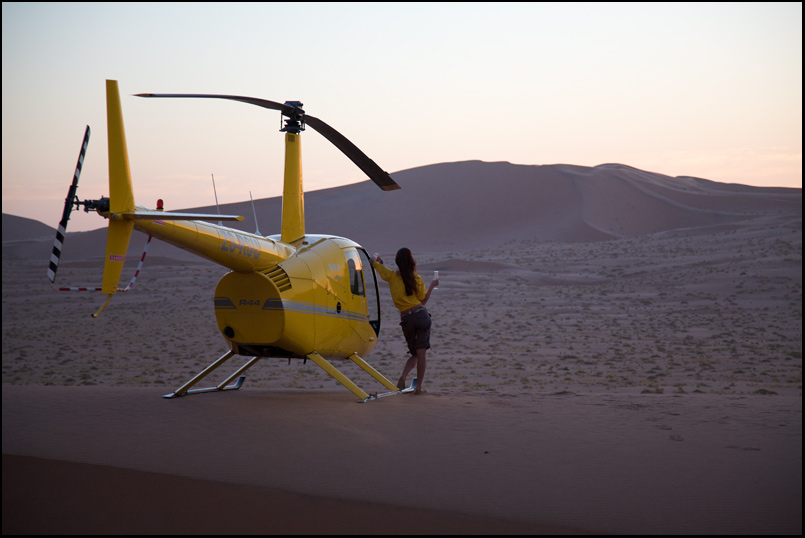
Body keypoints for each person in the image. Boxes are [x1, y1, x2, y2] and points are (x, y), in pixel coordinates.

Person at [371, 248, 439, 394]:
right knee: (421, 354)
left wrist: (377, 256)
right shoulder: (417, 279)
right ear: (411, 262)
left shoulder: (391, 276)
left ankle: (403, 376)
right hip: (421, 316)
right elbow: (423, 301)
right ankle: (418, 387)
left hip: (407, 319)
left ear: (398, 262)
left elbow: (372, 261)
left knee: (415, 353)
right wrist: (432, 286)